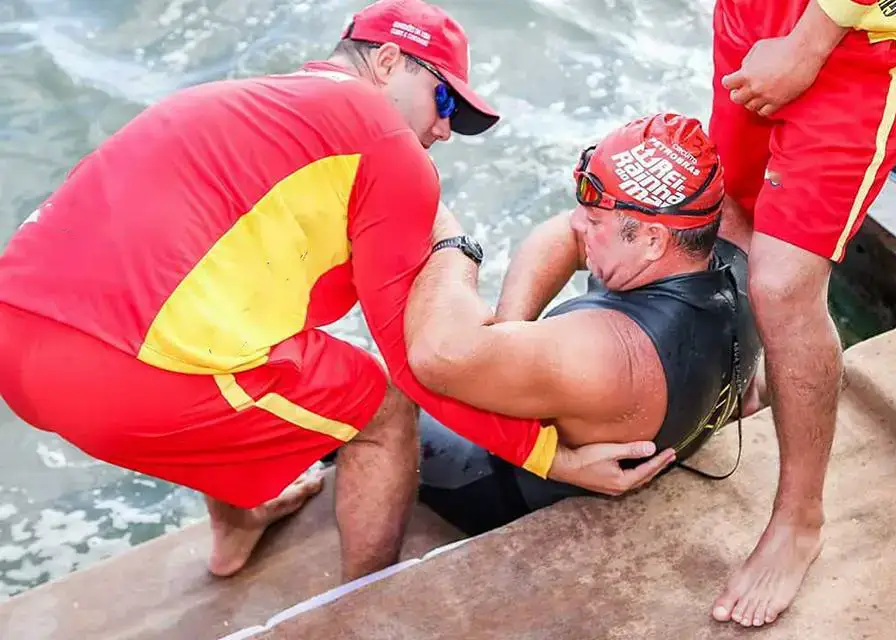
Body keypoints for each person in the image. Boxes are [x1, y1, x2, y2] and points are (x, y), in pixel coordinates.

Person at [0, 0, 660, 585]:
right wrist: (551, 457)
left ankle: (237, 528)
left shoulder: (235, 102)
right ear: (389, 61)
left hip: (17, 337)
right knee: (383, 413)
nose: (443, 134)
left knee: (243, 334)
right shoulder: (382, 142)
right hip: (120, 376)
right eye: (447, 104)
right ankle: (356, 611)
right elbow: (419, 362)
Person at [707, 0, 896, 627]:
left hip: (858, 48)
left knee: (784, 285)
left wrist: (809, 44)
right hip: (751, 16)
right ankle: (749, 380)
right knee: (729, 210)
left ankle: (798, 519)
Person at [404, 113, 764, 535]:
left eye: (594, 221)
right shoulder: (737, 245)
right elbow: (563, 236)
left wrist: (450, 239)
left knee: (385, 393)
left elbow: (436, 354)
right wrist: (509, 331)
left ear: (652, 241)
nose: (576, 223)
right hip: (677, 402)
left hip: (492, 484)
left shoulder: (608, 355)